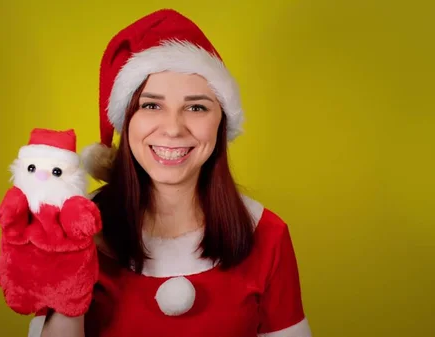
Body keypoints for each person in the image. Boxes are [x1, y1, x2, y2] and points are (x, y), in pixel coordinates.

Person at [25, 8, 312, 337]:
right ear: (126, 121)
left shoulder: (267, 233)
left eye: (196, 107)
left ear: (221, 123)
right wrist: (66, 280)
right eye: (151, 105)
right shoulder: (73, 232)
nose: (173, 129)